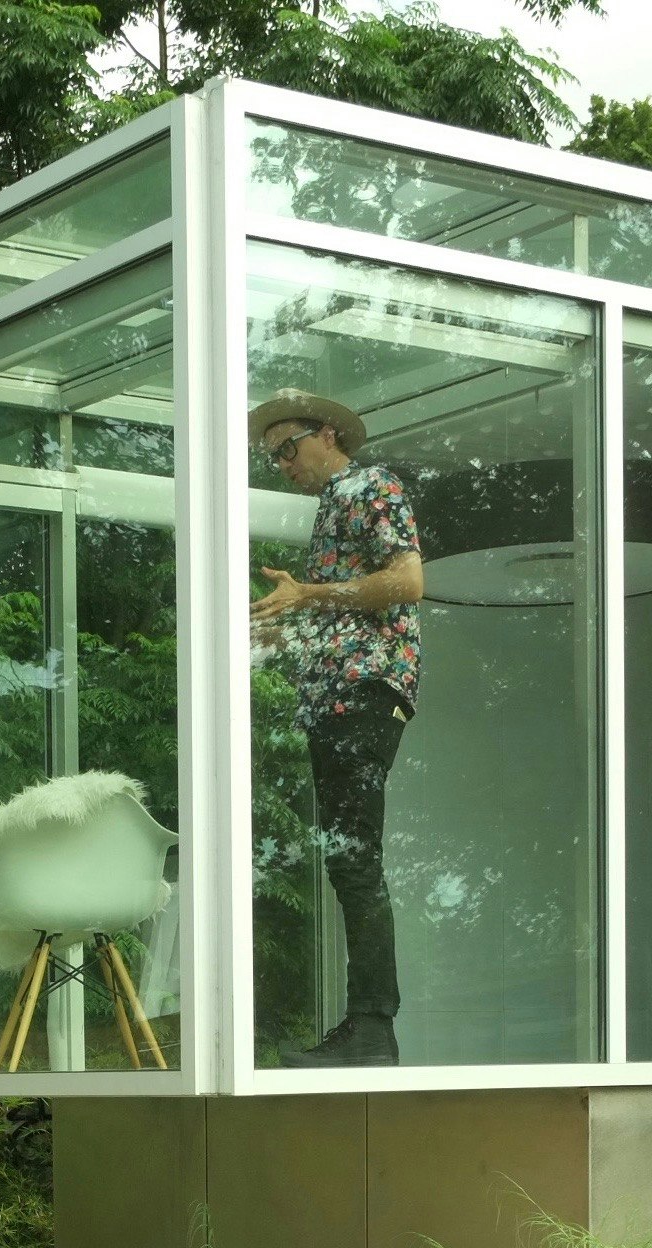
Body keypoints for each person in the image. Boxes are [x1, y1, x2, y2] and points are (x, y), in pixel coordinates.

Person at [248, 389, 423, 1068]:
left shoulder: (369, 485)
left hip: (364, 694)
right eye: (272, 459)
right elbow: (348, 610)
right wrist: (283, 621)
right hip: (338, 695)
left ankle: (373, 1029)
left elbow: (405, 583)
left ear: (326, 434)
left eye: (287, 448)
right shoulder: (331, 509)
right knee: (347, 860)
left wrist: (307, 595)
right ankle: (366, 1028)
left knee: (355, 860)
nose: (283, 464)